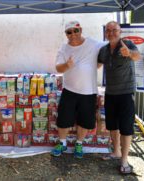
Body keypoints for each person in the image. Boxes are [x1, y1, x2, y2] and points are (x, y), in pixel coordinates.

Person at [51, 21, 104, 158]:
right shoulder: (64, 48)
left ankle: (79, 144)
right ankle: (62, 143)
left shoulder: (93, 43)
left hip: (89, 91)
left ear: (80, 30)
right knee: (63, 119)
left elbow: (109, 48)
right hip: (69, 90)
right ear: (66, 34)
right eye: (69, 32)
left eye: (76, 30)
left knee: (85, 120)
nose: (73, 34)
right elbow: (58, 68)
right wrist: (67, 65)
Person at [98, 21, 141, 174]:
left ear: (120, 31)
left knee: (126, 128)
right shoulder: (103, 50)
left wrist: (129, 53)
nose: (111, 33)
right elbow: (96, 64)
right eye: (108, 30)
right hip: (110, 93)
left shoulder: (127, 43)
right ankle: (115, 152)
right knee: (112, 126)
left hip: (126, 93)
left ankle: (124, 160)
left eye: (114, 30)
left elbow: (137, 56)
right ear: (105, 33)